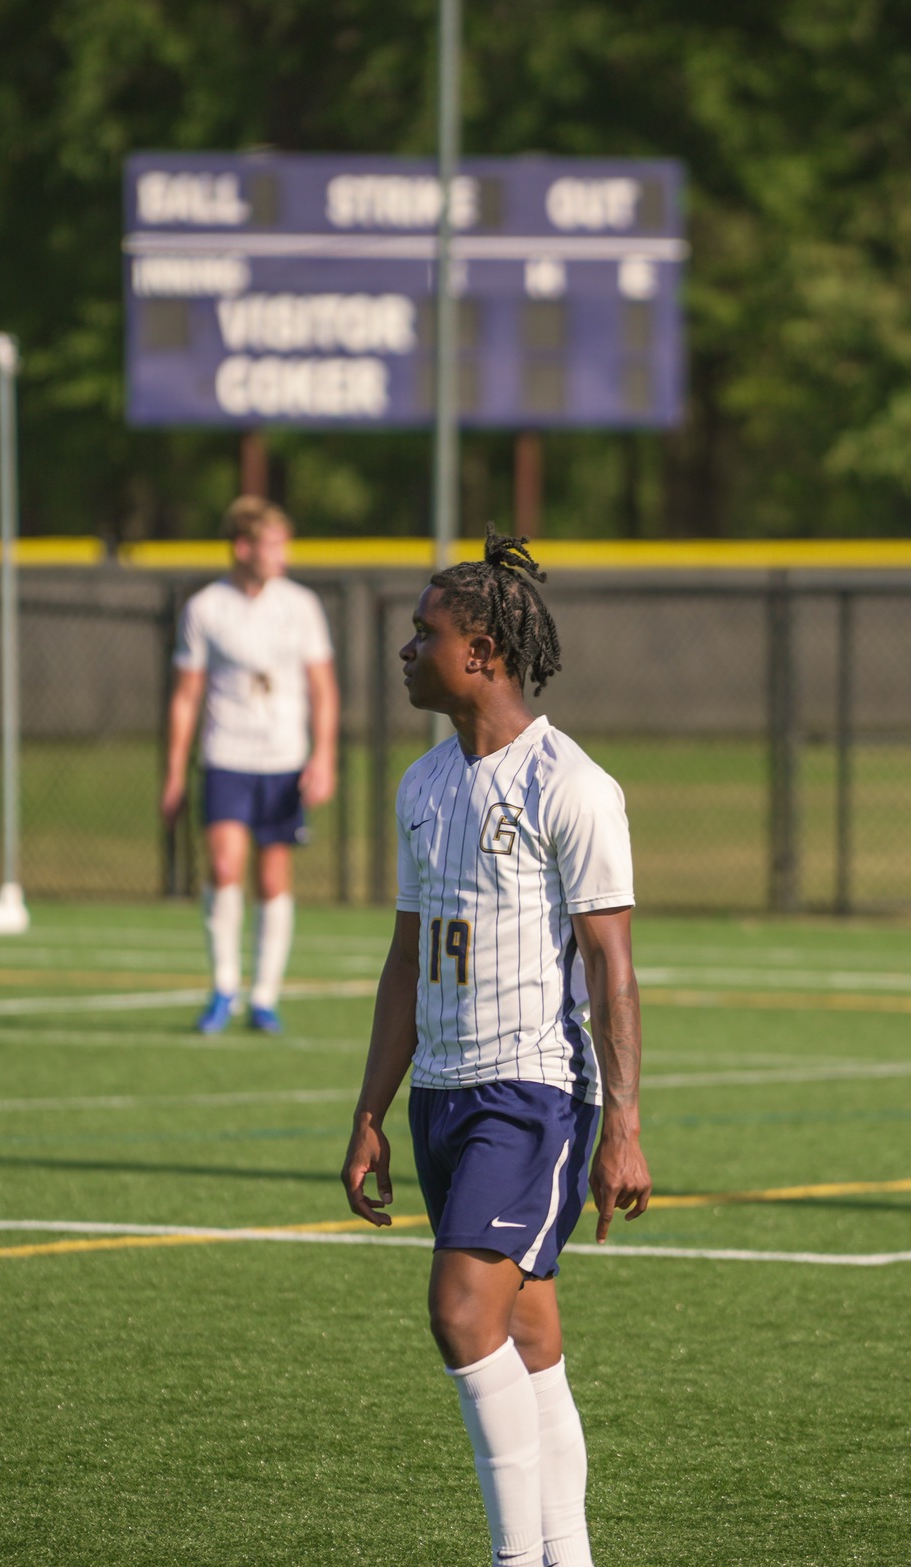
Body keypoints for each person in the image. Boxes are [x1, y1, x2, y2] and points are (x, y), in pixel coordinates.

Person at [341, 532, 653, 1567]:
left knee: (459, 1311)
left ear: (480, 652)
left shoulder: (570, 784)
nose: (405, 649)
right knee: (524, 1338)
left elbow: (611, 967)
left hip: (530, 1093)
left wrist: (623, 1128)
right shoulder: (424, 786)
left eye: (422, 635)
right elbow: (404, 959)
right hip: (441, 1093)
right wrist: (370, 1112)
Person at [161, 496, 338, 1034]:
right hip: (226, 757)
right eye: (272, 545)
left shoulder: (301, 605)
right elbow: (186, 696)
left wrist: (323, 755)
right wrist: (174, 772)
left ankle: (265, 996)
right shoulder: (205, 608)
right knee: (222, 866)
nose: (282, 555)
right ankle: (223, 988)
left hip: (283, 759)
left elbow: (323, 688)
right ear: (242, 548)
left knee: (273, 875)